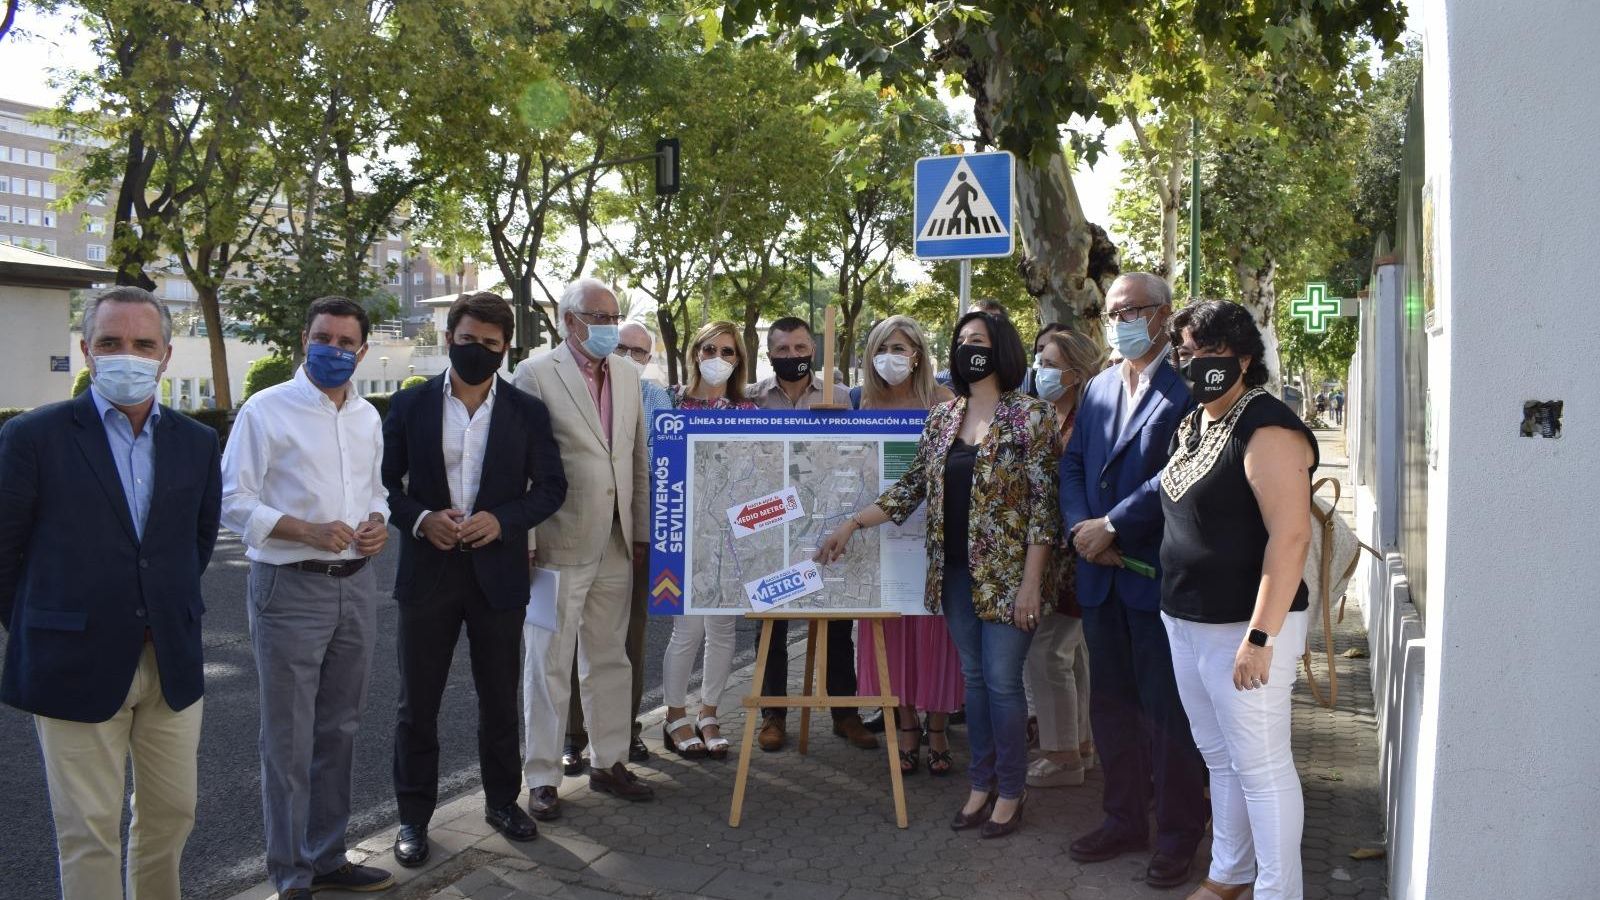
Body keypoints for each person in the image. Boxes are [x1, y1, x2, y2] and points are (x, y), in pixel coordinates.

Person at [0, 287, 220, 900]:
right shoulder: (32, 438)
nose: (129, 355)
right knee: (88, 830)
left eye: (143, 344)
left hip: (169, 659)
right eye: (111, 343)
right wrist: (47, 623)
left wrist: (159, 606)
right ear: (87, 352)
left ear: (167, 355)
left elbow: (194, 544)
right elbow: (4, 553)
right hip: (71, 660)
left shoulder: (196, 442)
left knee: (173, 815)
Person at [817, 310, 1059, 839]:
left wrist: (1031, 583)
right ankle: (981, 784)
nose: (971, 347)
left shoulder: (1032, 417)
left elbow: (1045, 508)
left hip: (1008, 579)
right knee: (974, 681)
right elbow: (911, 489)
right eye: (963, 340)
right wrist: (853, 523)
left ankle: (1011, 793)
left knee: (1001, 682)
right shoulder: (943, 417)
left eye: (982, 340)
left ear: (1003, 350)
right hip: (952, 575)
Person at [382, 292, 568, 867]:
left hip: (498, 575)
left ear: (504, 348)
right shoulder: (408, 405)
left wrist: (503, 519)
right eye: (468, 340)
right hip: (429, 573)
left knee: (498, 700)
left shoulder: (526, 412)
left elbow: (551, 488)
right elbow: (382, 486)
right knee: (418, 704)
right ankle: (413, 819)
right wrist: (418, 519)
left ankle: (500, 803)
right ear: (448, 339)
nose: (477, 351)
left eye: (490, 344)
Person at [222, 296, 395, 898]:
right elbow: (234, 502)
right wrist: (306, 531)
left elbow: (377, 492)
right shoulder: (265, 411)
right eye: (325, 338)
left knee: (341, 728)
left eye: (348, 343)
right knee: (289, 738)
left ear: (363, 350)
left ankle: (328, 857)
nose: (335, 350)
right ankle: (290, 875)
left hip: (356, 586)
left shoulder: (368, 417)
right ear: (305, 339)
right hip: (289, 587)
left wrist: (377, 521)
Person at [1161, 301, 1318, 900]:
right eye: (1186, 352)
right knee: (1220, 759)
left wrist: (1260, 638)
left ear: (1244, 358)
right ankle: (1229, 875)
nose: (1195, 364)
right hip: (1186, 620)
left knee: (1262, 767)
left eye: (1209, 353)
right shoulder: (1195, 420)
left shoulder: (1267, 426)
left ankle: (1279, 891)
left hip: (1244, 629)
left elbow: (1291, 534)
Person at [1061, 273, 1208, 888]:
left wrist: (1113, 527)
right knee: (1112, 705)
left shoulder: (1189, 389)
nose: (1120, 320)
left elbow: (1182, 471)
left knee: (1166, 713)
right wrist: (1079, 529)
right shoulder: (1095, 388)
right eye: (1113, 311)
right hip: (1099, 580)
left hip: (1153, 577)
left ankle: (1178, 834)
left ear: (1164, 316)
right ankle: (1123, 817)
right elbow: (1071, 465)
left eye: (1134, 310)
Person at [514, 277, 654, 821]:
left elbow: (637, 458)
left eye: (613, 316)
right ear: (569, 321)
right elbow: (520, 464)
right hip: (555, 544)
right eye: (597, 316)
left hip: (617, 544)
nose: (608, 326)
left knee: (609, 657)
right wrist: (525, 537)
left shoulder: (626, 373)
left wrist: (640, 530)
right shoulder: (534, 374)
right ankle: (543, 776)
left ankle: (609, 761)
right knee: (547, 662)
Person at [745, 316, 873, 753]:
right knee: (771, 625)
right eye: (782, 350)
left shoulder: (838, 398)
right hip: (771, 527)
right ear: (769, 355)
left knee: (838, 620)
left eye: (800, 349)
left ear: (812, 351)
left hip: (825, 524)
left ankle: (845, 713)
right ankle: (773, 715)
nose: (792, 357)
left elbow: (855, 457)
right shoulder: (754, 400)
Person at [849, 315, 960, 777]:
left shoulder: (945, 401)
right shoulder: (861, 402)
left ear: (918, 354)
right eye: (882, 348)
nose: (891, 357)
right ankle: (906, 726)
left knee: (936, 634)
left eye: (900, 348)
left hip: (933, 539)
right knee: (892, 635)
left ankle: (938, 730)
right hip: (882, 536)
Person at [561, 319, 665, 777]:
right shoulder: (570, 384)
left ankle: (623, 733)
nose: (628, 357)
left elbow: (653, 464)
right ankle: (572, 737)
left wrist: (642, 531)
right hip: (573, 536)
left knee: (627, 644)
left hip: (630, 538)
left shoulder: (655, 398)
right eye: (622, 347)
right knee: (568, 643)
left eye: (639, 352)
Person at [660, 321, 758, 761]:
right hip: (681, 534)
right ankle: (674, 714)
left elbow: (757, 475)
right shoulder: (669, 403)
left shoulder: (746, 411)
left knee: (722, 630)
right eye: (710, 348)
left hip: (730, 536)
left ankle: (710, 712)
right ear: (695, 352)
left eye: (729, 352)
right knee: (687, 630)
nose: (719, 358)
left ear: (739, 361)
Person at [1023, 327, 1101, 788]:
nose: (1041, 370)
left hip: (1072, 556)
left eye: (1051, 364)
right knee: (1069, 654)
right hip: (1053, 555)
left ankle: (1062, 755)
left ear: (1076, 373)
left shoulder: (1088, 422)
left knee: (1050, 651)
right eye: (1039, 360)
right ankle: (1080, 745)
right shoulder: (1046, 416)